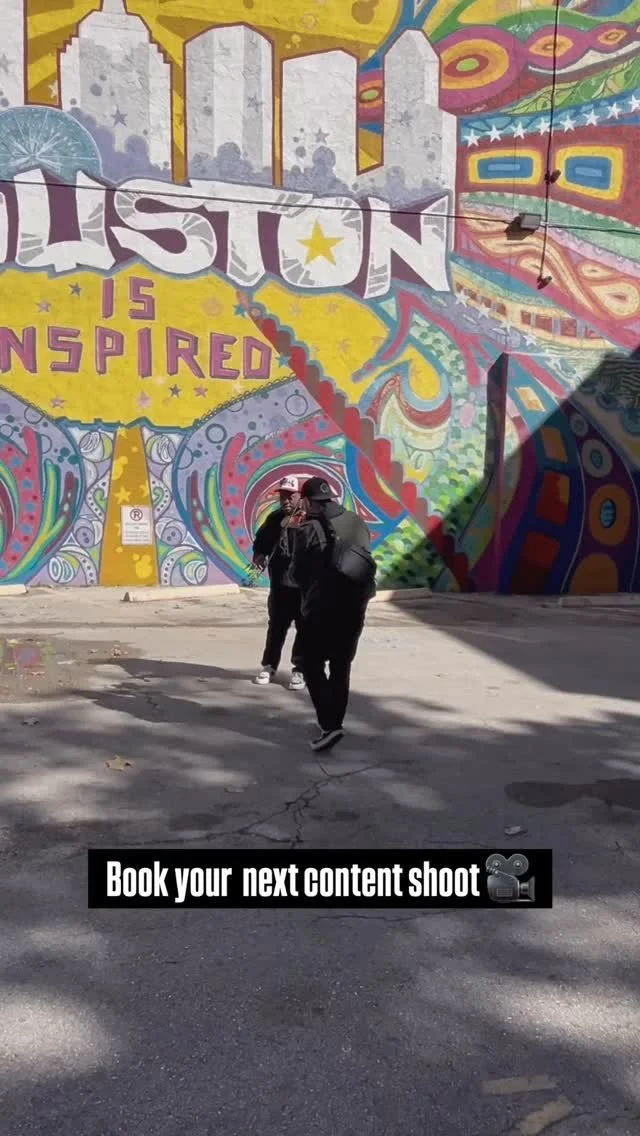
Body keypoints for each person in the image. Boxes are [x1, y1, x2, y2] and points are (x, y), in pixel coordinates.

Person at [290, 476, 376, 752]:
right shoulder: (357, 521)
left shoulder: (307, 529)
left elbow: (296, 574)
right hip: (354, 607)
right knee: (341, 666)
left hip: (320, 609)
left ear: (308, 501)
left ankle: (330, 724)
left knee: (310, 664)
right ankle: (334, 722)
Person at [252, 475, 305, 690]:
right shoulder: (275, 519)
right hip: (280, 587)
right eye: (282, 496)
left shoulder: (311, 520)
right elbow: (261, 542)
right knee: (276, 627)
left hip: (305, 588)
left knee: (305, 629)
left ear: (300, 495)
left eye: (290, 496)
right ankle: (269, 665)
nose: (286, 500)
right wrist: (258, 555)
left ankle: (300, 670)